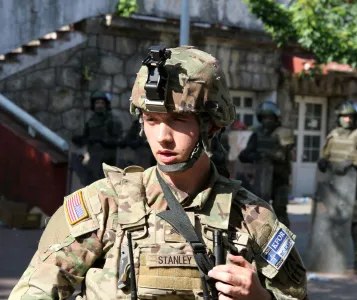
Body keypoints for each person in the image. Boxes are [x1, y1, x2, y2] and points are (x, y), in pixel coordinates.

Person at [9, 46, 308, 300]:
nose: (162, 136)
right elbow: (34, 290)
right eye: (151, 119)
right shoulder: (103, 207)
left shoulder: (253, 218)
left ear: (211, 126)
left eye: (178, 120)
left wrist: (260, 296)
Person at [317, 100, 357, 274]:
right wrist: (323, 161)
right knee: (332, 222)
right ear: (338, 117)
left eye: (350, 116)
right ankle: (331, 260)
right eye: (344, 116)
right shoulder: (333, 135)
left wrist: (352, 162)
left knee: (355, 223)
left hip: (353, 187)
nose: (347, 120)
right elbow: (325, 155)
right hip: (333, 187)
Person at [239, 101, 295, 228]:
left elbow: (284, 154)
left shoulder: (284, 133)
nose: (267, 121)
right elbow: (244, 155)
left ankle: (286, 242)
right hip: (263, 179)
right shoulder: (257, 133)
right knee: (260, 211)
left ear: (276, 118)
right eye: (264, 118)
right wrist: (256, 157)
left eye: (270, 117)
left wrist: (268, 156)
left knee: (280, 211)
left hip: (280, 179)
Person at [71, 91, 123, 185]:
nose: (99, 105)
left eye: (102, 103)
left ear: (106, 105)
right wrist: (79, 139)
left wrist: (103, 141)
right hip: (93, 157)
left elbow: (118, 140)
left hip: (107, 159)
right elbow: (86, 137)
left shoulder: (112, 120)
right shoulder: (91, 121)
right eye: (97, 103)